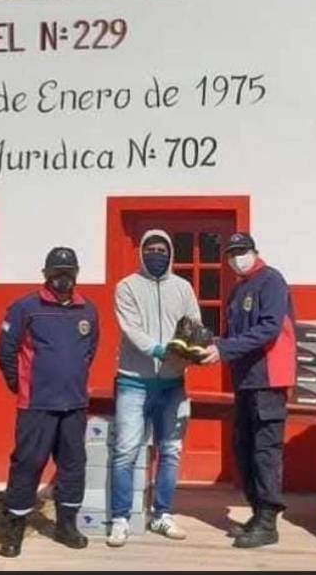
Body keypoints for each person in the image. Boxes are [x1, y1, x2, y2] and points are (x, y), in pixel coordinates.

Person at [0, 247, 100, 558]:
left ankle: (66, 525)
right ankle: (13, 530)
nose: (62, 278)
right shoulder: (26, 307)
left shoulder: (88, 310)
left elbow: (89, 351)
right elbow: (5, 351)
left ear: (77, 274)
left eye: (68, 272)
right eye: (57, 272)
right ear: (45, 274)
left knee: (72, 466)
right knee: (27, 464)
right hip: (36, 405)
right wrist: (20, 384)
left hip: (75, 405)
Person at [201, 232, 296, 549]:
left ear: (255, 251)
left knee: (265, 451)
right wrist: (209, 346)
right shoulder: (237, 289)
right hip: (245, 381)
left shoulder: (271, 281)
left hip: (269, 378)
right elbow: (230, 335)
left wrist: (225, 349)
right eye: (231, 254)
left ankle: (269, 520)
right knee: (243, 448)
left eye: (242, 251)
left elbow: (269, 328)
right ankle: (257, 511)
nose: (236, 257)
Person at [107, 230, 201, 547]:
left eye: (162, 249)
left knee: (171, 451)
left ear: (171, 252)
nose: (157, 253)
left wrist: (194, 349)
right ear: (142, 252)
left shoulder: (183, 287)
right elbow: (131, 329)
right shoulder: (126, 287)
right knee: (125, 452)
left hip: (173, 384)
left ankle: (162, 515)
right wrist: (161, 351)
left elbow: (193, 325)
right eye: (151, 248)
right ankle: (119, 519)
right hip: (133, 381)